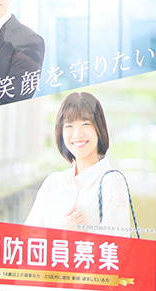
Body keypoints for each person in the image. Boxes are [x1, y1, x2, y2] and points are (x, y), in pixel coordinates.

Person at [24, 92, 133, 236]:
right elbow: (27, 243)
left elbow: (115, 248)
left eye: (85, 124)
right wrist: (61, 234)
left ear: (98, 129)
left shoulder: (111, 182)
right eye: (69, 126)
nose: (77, 134)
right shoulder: (53, 183)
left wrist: (70, 238)